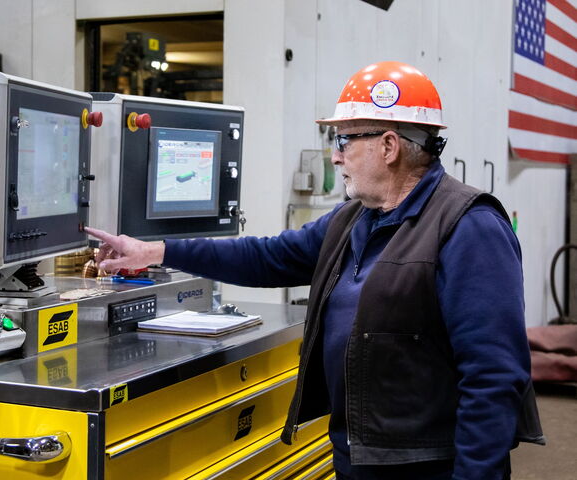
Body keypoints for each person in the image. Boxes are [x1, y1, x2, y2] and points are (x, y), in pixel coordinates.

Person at [86, 61, 544, 480]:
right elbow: (264, 256)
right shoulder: (353, 220)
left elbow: (494, 377)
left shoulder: (469, 226)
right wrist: (155, 251)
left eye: (344, 140)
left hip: (425, 464)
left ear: (388, 145)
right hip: (357, 454)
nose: (336, 156)